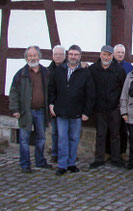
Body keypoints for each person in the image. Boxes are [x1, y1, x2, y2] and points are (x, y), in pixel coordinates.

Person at [48, 45, 95, 176]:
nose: (73, 57)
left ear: (80, 56)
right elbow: (52, 89)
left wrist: (86, 112)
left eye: (76, 55)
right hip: (61, 111)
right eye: (71, 54)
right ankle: (62, 165)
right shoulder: (60, 70)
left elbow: (90, 94)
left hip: (77, 112)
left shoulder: (85, 72)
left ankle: (71, 163)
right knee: (62, 138)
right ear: (68, 55)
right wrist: (51, 104)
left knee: (74, 138)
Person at [9, 46, 52, 173]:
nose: (32, 58)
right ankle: (25, 164)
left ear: (39, 56)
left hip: (41, 111)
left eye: (34, 55)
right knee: (24, 139)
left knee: (41, 138)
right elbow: (14, 93)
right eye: (30, 56)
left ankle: (40, 161)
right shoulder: (21, 74)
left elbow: (51, 90)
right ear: (26, 58)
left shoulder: (45, 72)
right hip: (25, 112)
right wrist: (15, 109)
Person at [89, 45, 126, 169]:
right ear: (100, 55)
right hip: (99, 108)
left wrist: (120, 105)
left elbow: (123, 89)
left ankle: (116, 158)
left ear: (112, 56)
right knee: (100, 134)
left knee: (115, 134)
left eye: (109, 55)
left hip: (114, 108)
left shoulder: (119, 70)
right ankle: (99, 158)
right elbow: (89, 88)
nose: (106, 57)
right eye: (104, 54)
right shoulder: (93, 69)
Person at [113, 44, 133, 161]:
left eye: (122, 53)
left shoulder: (129, 67)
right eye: (118, 52)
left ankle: (122, 152)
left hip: (125, 103)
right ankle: (109, 152)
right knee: (111, 129)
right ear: (114, 53)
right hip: (113, 102)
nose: (120, 54)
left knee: (123, 129)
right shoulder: (110, 64)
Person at [47, 45, 66, 163]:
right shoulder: (48, 71)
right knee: (55, 132)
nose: (58, 56)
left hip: (66, 106)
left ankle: (65, 153)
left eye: (61, 54)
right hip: (53, 106)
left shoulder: (69, 68)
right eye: (56, 54)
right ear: (52, 56)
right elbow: (48, 90)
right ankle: (55, 153)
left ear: (65, 56)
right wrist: (50, 104)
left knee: (66, 133)